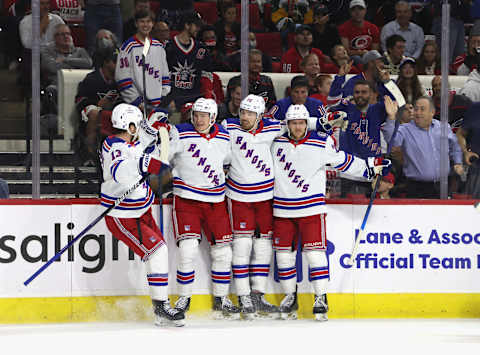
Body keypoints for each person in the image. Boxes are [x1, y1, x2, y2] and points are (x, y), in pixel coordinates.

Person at [271, 103, 391, 320]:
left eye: (301, 123)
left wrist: (370, 167)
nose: (297, 127)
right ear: (287, 124)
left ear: (306, 123)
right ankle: (290, 297)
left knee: (315, 255)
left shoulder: (320, 143)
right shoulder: (275, 141)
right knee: (284, 257)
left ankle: (321, 297)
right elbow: (265, 128)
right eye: (293, 123)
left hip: (311, 208)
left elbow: (343, 162)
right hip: (282, 208)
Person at [100, 103, 185, 326]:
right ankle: (162, 307)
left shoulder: (132, 142)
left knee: (157, 252)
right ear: (129, 126)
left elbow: (148, 146)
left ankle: (161, 307)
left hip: (141, 209)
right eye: (136, 125)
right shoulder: (113, 146)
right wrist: (144, 163)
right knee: (158, 252)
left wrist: (157, 128)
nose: (138, 128)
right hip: (123, 214)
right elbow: (119, 171)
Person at [166, 98, 240, 319]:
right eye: (196, 115)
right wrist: (160, 138)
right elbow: (163, 158)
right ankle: (184, 298)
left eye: (203, 116)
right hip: (187, 199)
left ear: (213, 117)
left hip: (216, 200)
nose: (198, 119)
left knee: (223, 252)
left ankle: (221, 298)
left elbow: (227, 162)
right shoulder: (179, 132)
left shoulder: (224, 136)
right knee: (187, 250)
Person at [222, 94, 284, 318]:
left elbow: (296, 124)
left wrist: (323, 122)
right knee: (242, 245)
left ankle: (257, 294)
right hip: (238, 196)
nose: (244, 117)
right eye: (242, 112)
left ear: (259, 116)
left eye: (249, 113)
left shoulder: (272, 128)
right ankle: (243, 296)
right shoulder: (228, 126)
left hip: (265, 196)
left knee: (263, 245)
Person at [383, 96, 464, 199]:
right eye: (416, 109)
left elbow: (455, 146)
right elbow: (392, 141)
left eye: (422, 109)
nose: (418, 113)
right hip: (417, 188)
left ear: (432, 112)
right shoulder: (405, 129)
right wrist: (391, 118)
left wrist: (457, 162)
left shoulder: (444, 127)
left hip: (443, 186)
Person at [115, 9, 170, 110]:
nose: (145, 25)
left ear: (153, 24)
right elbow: (122, 79)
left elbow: (165, 75)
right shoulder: (127, 47)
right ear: (136, 24)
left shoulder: (159, 46)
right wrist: (136, 101)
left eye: (148, 21)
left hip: (159, 104)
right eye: (142, 21)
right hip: (136, 105)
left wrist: (163, 96)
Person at [75, 46, 120, 165]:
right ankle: (89, 154)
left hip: (114, 112)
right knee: (94, 112)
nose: (119, 65)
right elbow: (80, 100)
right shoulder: (91, 79)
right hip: (92, 110)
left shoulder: (122, 80)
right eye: (115, 61)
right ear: (105, 62)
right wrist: (97, 103)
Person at [164, 12, 213, 110]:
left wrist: (207, 100)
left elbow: (207, 77)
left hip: (195, 100)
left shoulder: (201, 49)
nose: (198, 29)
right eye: (196, 26)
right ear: (187, 25)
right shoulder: (167, 47)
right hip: (173, 100)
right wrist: (167, 99)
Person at [41, 24, 92, 111]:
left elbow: (88, 63)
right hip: (58, 86)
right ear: (55, 38)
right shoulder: (47, 51)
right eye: (62, 34)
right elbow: (52, 67)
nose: (66, 37)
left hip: (78, 86)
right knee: (50, 91)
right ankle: (57, 120)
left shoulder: (80, 51)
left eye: (68, 34)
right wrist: (77, 65)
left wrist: (65, 60)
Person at [327, 50, 394, 106]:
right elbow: (334, 103)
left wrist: (389, 83)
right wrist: (339, 77)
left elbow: (398, 103)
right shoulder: (354, 83)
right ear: (371, 63)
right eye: (380, 62)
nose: (383, 65)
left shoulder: (383, 83)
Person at [338, 0, 380, 65]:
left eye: (360, 9)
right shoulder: (343, 28)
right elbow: (346, 51)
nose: (357, 12)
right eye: (353, 10)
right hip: (352, 59)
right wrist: (360, 53)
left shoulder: (373, 28)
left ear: (365, 11)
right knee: (356, 58)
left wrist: (366, 54)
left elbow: (375, 50)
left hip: (369, 57)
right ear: (350, 12)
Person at [456, 102, 480, 198]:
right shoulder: (475, 108)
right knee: (474, 208)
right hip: (476, 169)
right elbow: (460, 134)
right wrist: (465, 152)